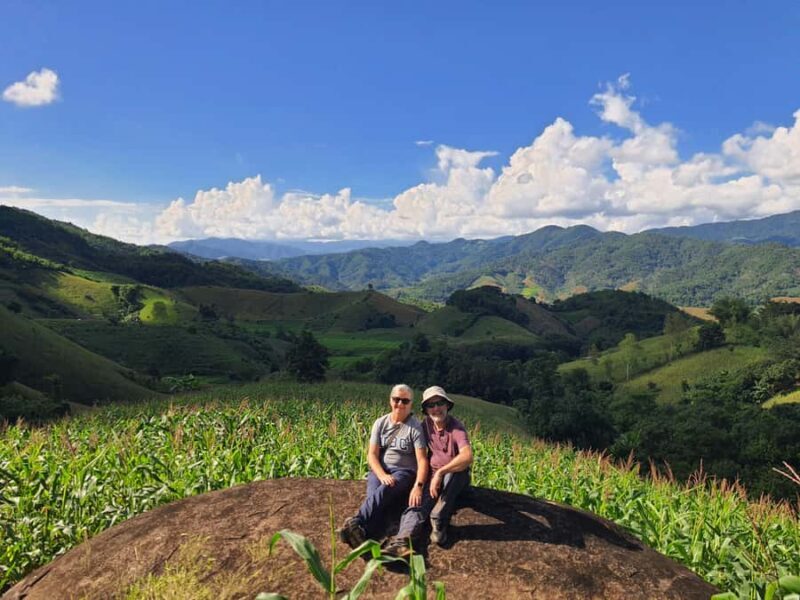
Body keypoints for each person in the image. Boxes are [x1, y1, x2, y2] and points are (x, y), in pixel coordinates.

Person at [383, 385, 473, 556]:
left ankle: (439, 518)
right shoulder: (425, 426)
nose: (436, 408)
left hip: (453, 478)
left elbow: (467, 456)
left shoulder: (456, 428)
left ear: (447, 405)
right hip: (432, 476)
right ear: (426, 410)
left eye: (439, 403)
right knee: (416, 503)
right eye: (431, 405)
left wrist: (441, 472)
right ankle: (403, 540)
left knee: (455, 473)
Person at [339, 383, 429, 548]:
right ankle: (362, 533)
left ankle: (355, 522)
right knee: (375, 498)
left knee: (384, 491)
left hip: (404, 472)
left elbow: (422, 460)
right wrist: (381, 475)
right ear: (390, 400)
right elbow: (372, 455)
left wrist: (418, 485)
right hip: (380, 470)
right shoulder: (380, 423)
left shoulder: (415, 428)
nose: (400, 404)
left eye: (405, 401)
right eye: (396, 399)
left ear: (411, 404)